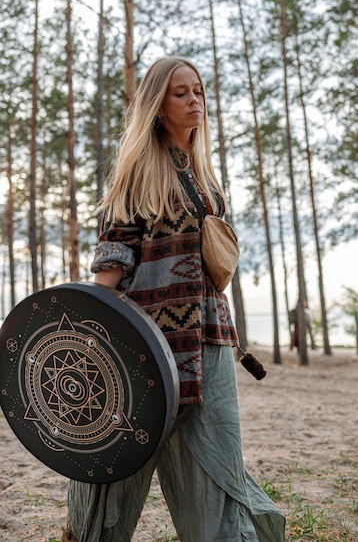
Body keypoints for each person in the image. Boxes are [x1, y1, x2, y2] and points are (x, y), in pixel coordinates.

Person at [61, 56, 286, 542]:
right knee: (116, 465)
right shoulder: (138, 171)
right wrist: (93, 334)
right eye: (181, 93)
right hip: (144, 346)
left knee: (217, 463)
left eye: (199, 91)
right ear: (157, 105)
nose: (195, 101)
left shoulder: (206, 177)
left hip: (208, 339)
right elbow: (113, 254)